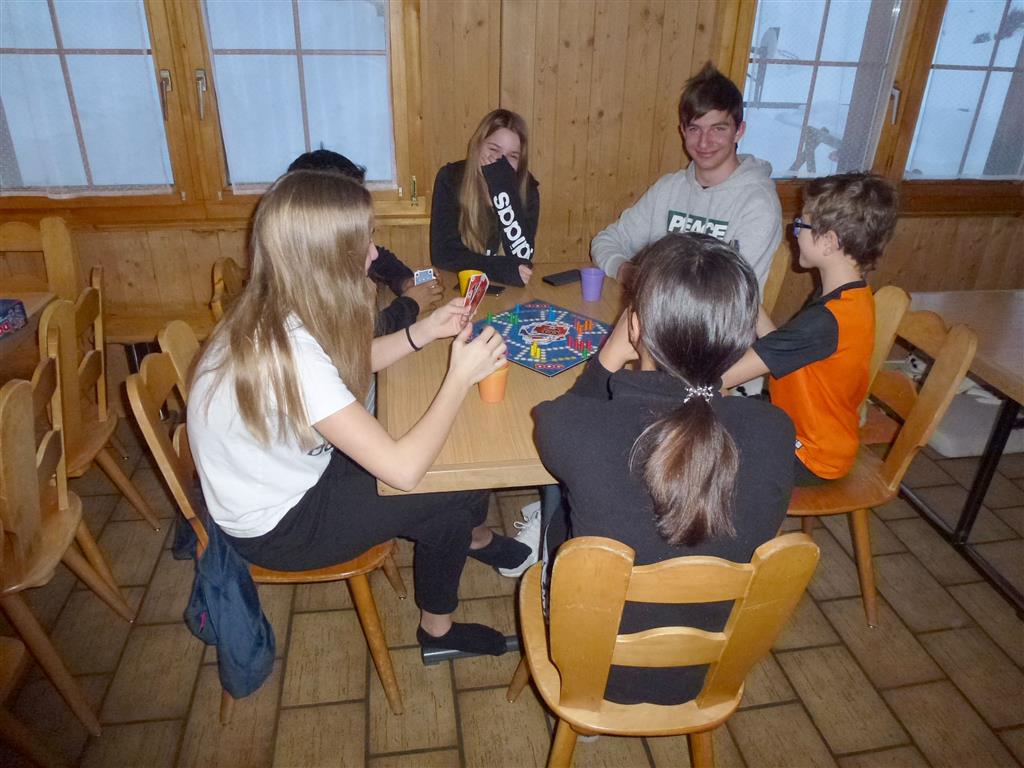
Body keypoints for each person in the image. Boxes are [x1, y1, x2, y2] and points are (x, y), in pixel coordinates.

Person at [188, 170, 532, 656]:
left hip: (290, 479)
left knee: (450, 487)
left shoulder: (279, 304)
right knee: (450, 477)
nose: (374, 254)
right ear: (326, 258)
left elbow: (348, 363)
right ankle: (445, 613)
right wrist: (459, 377)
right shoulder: (288, 351)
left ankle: (449, 600)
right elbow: (403, 472)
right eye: (364, 242)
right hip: (281, 527)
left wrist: (424, 330)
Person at [534, 233, 795, 705]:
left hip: (589, 672)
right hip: (708, 676)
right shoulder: (775, 432)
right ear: (741, 341)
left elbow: (561, 413)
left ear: (634, 327)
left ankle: (585, 722)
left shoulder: (572, 428)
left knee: (557, 516)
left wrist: (609, 356)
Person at [722, 172, 899, 485]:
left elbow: (722, 378)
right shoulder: (850, 297)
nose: (794, 233)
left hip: (809, 454)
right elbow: (786, 350)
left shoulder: (826, 321)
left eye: (800, 225)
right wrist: (746, 292)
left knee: (700, 441)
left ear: (829, 242)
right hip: (806, 430)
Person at [591, 62, 781, 293]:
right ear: (682, 131)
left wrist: (652, 283)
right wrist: (627, 272)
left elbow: (732, 294)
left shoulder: (757, 203)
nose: (704, 142)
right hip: (657, 308)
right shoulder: (668, 189)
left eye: (718, 129)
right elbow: (607, 240)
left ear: (739, 131)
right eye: (694, 129)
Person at [289, 149, 442, 335]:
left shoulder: (326, 253)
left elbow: (379, 259)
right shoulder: (302, 291)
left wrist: (404, 281)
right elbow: (361, 334)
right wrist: (411, 304)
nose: (373, 252)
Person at [431, 109, 540, 287]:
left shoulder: (528, 189)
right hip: (462, 285)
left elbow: (521, 256)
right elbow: (444, 254)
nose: (500, 161)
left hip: (508, 288)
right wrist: (500, 269)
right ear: (477, 146)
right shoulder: (451, 178)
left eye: (513, 156)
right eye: (494, 149)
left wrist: (502, 190)